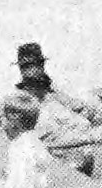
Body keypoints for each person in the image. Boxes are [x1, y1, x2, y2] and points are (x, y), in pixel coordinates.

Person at [13, 42, 94, 172]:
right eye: (27, 67)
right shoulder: (19, 101)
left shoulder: (53, 94)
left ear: (42, 65)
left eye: (37, 65)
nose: (33, 70)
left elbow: (81, 108)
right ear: (21, 70)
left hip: (74, 162)